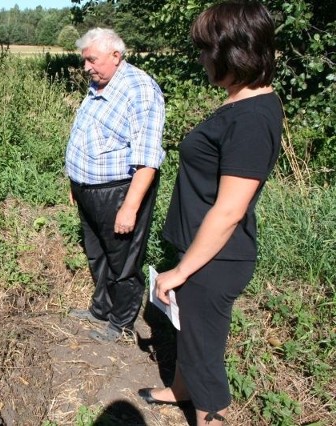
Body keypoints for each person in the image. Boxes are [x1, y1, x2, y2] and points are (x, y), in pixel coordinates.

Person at [137, 1, 283, 424]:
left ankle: (209, 413)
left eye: (206, 50)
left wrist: (182, 272)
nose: (201, 59)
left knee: (204, 348)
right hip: (202, 249)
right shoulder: (241, 105)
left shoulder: (252, 117)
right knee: (191, 331)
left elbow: (230, 210)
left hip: (218, 256)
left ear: (232, 52)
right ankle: (180, 389)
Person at [65, 28, 166, 343]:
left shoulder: (140, 90)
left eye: (92, 60)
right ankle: (100, 309)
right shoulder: (99, 84)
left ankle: (120, 323)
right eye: (85, 61)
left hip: (119, 191)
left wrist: (130, 206)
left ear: (116, 56)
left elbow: (147, 158)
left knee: (123, 262)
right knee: (98, 254)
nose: (87, 68)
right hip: (88, 189)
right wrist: (75, 180)